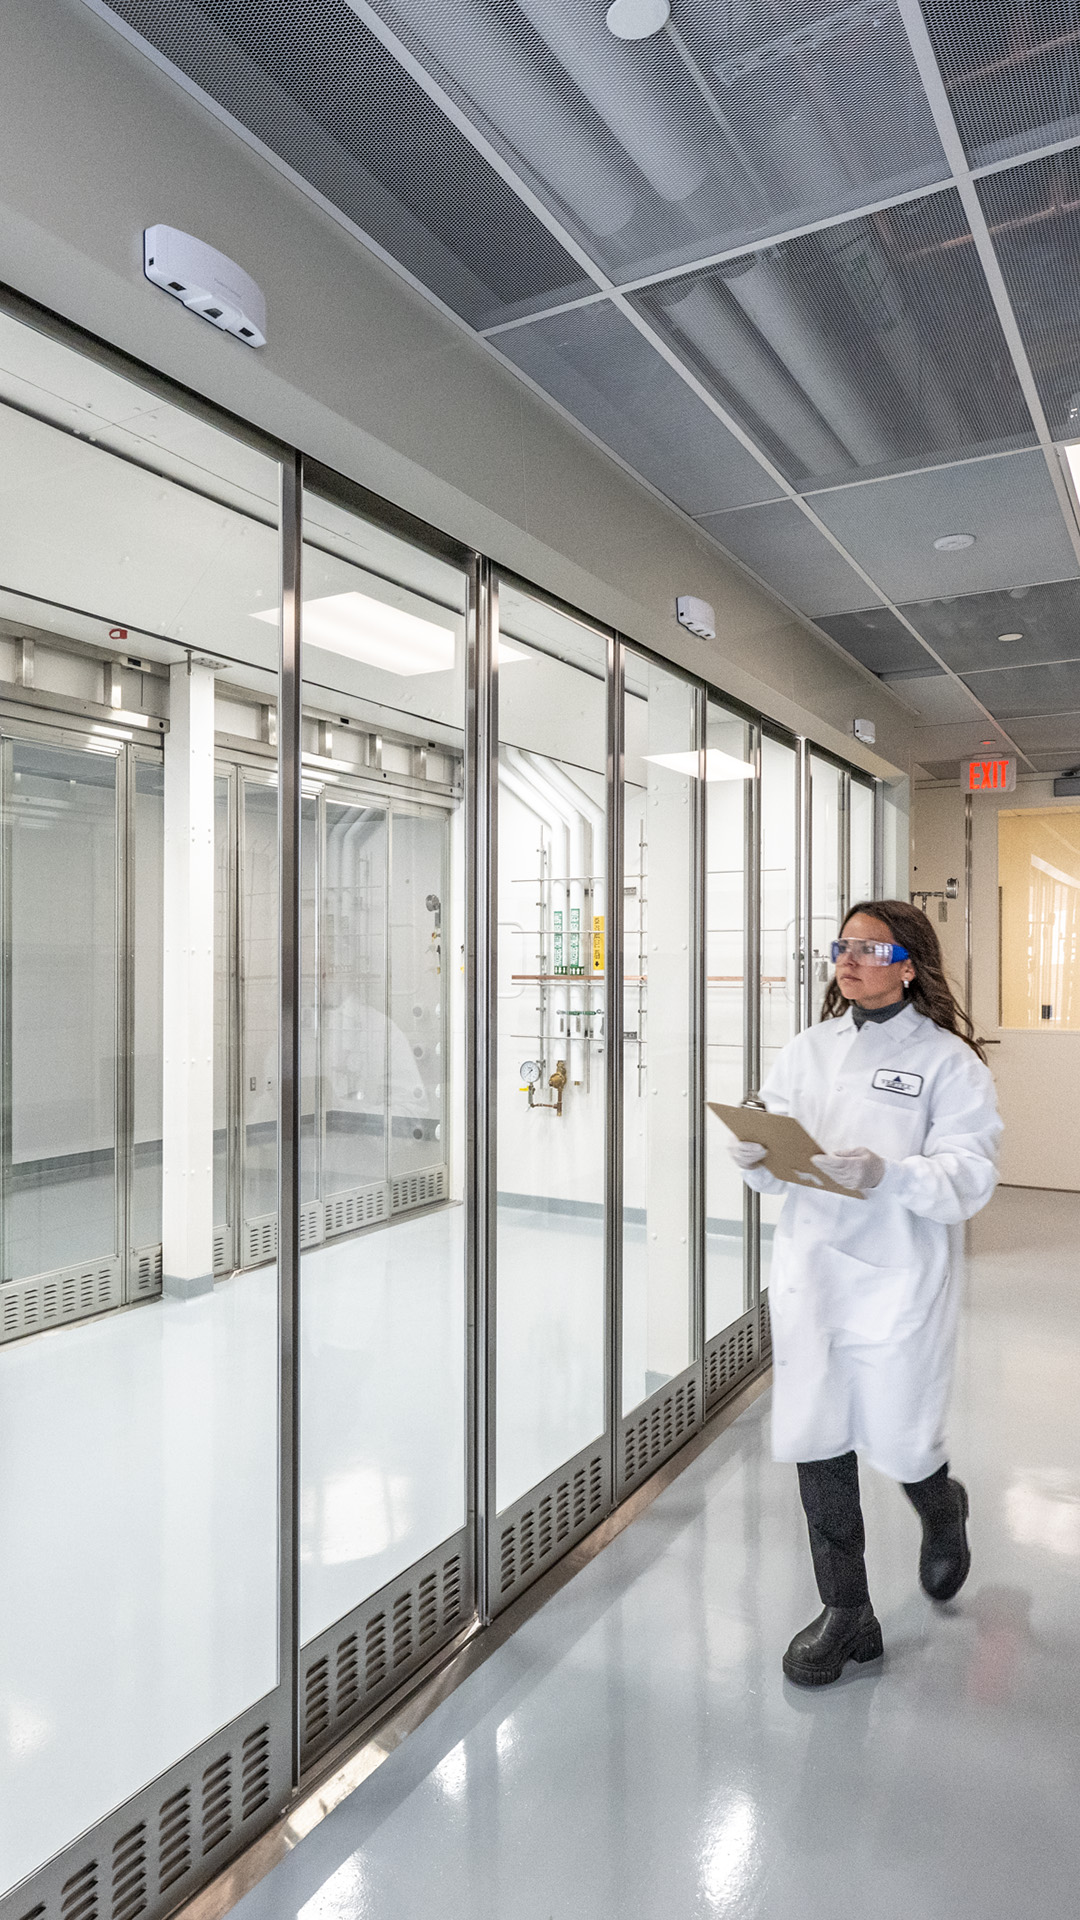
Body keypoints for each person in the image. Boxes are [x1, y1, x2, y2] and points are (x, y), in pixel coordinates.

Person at [728, 900, 1002, 1686]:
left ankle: (941, 1506)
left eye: (869, 947)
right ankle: (848, 1612)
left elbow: (971, 1175)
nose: (848, 959)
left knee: (902, 1434)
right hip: (813, 1272)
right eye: (842, 946)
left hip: (899, 1277)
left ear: (908, 964)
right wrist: (755, 1150)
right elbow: (778, 1147)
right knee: (818, 1436)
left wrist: (891, 1173)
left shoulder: (949, 1063)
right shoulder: (808, 1050)